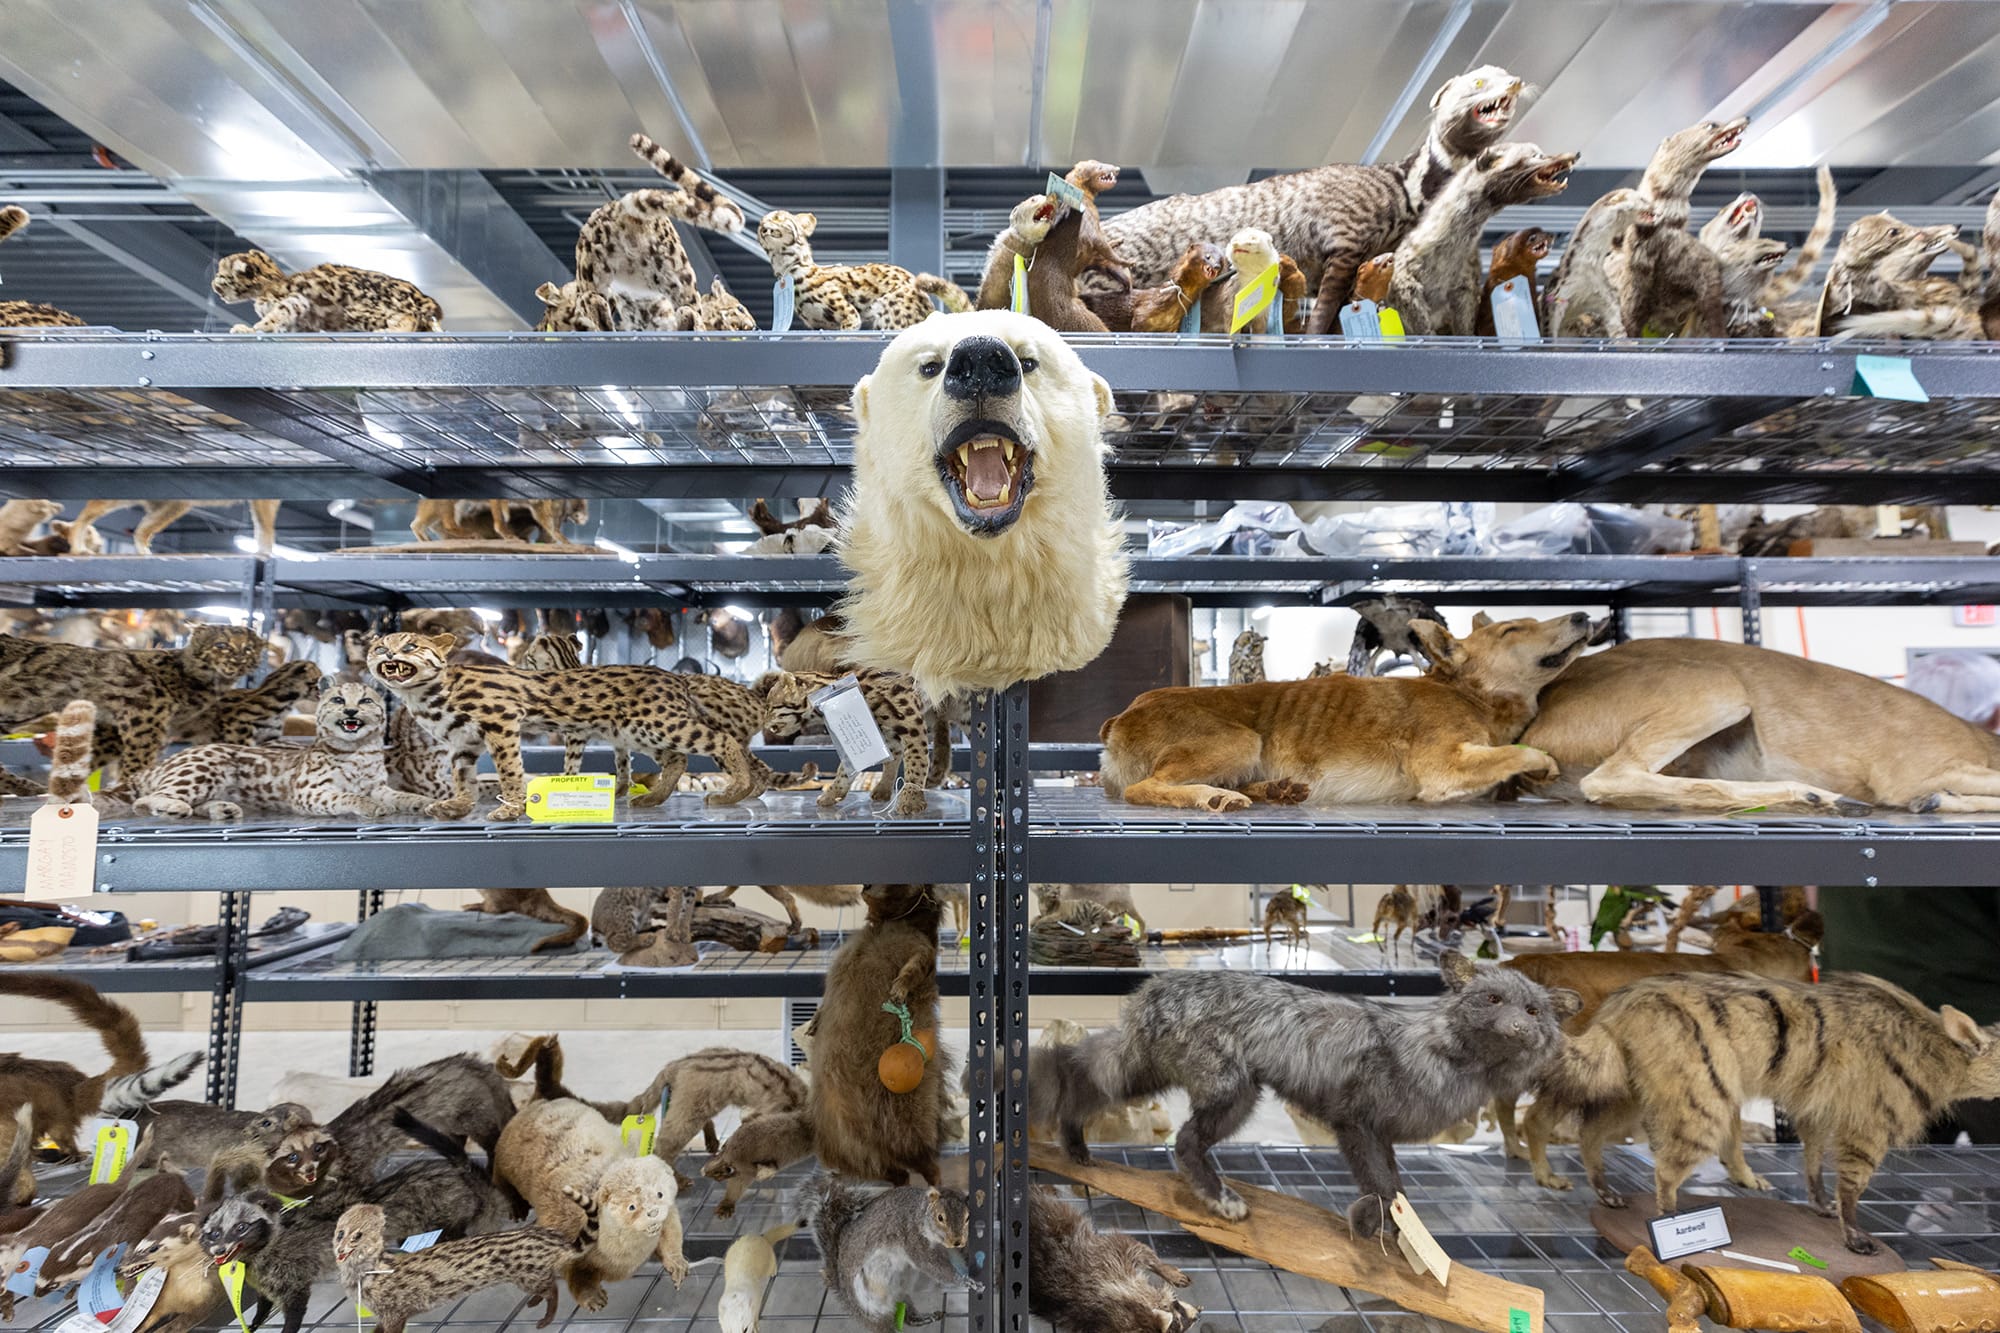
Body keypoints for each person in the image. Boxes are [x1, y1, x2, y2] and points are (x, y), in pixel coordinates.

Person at [1819, 648, 2000, 1142]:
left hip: (1865, 1028)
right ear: (1993, 717)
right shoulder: (1982, 799)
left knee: (1876, 1176)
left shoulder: (1856, 790)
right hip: (1977, 1032)